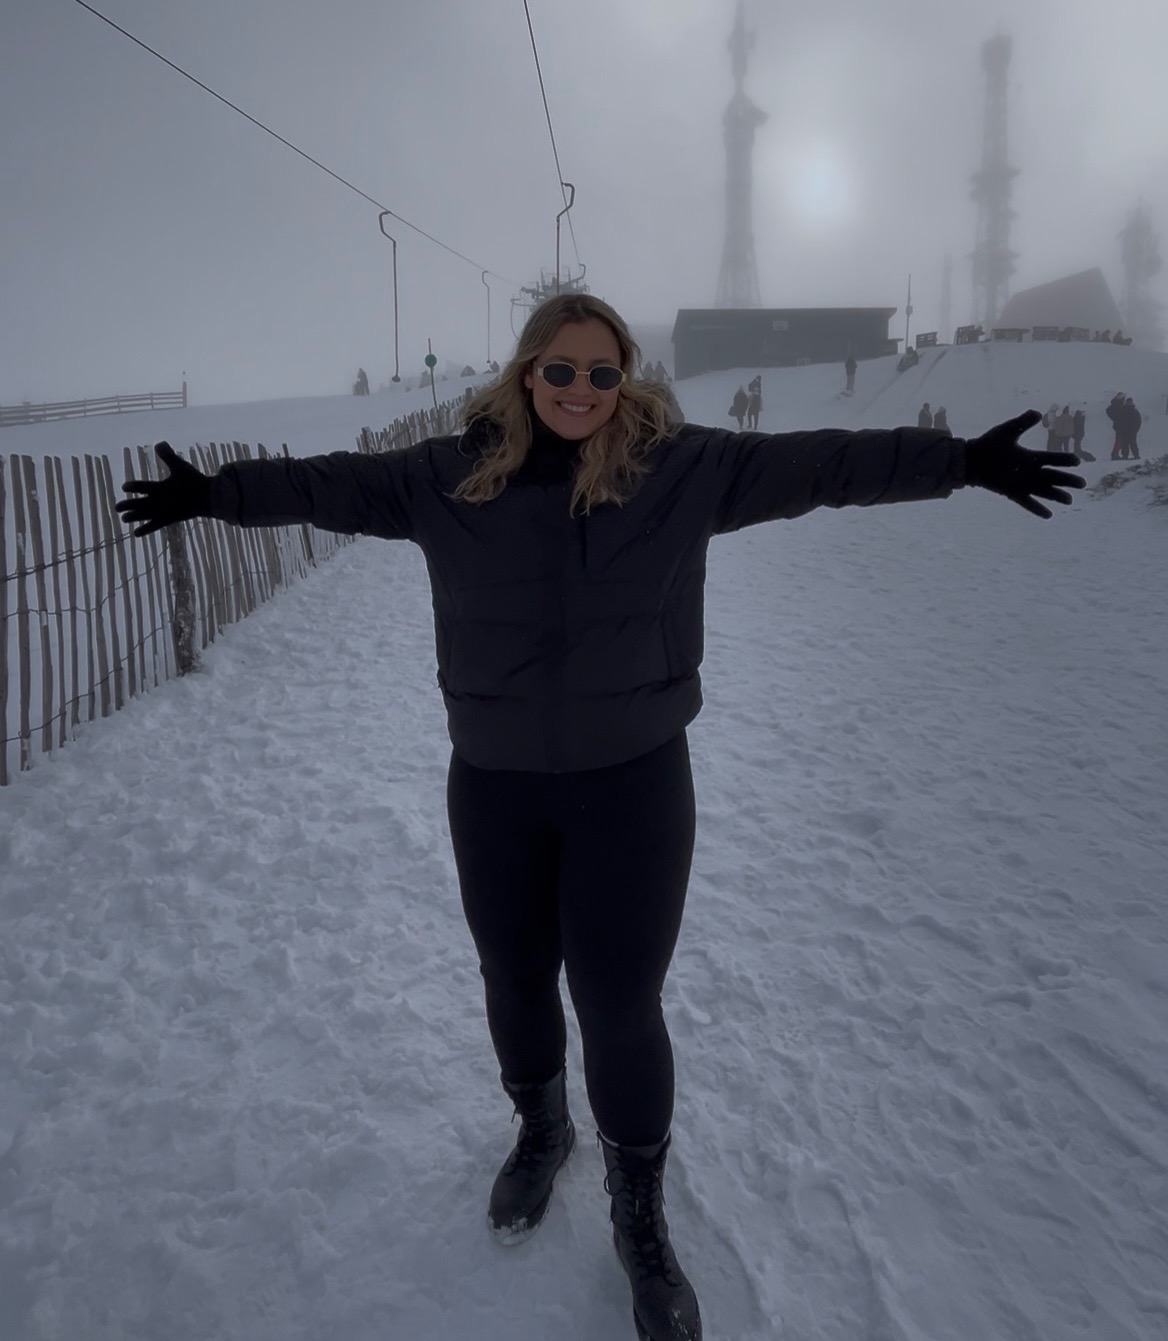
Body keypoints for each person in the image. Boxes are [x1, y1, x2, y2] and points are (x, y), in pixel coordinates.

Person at [116, 292, 1083, 1341]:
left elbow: (821, 465)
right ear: (527, 371)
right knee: (513, 975)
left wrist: (959, 462)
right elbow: (329, 485)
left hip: (633, 786)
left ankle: (639, 1211)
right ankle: (542, 1131)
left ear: (627, 378)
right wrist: (216, 493)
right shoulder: (447, 477)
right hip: (495, 786)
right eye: (561, 370)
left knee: (620, 1004)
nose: (581, 390)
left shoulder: (682, 469)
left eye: (603, 373)